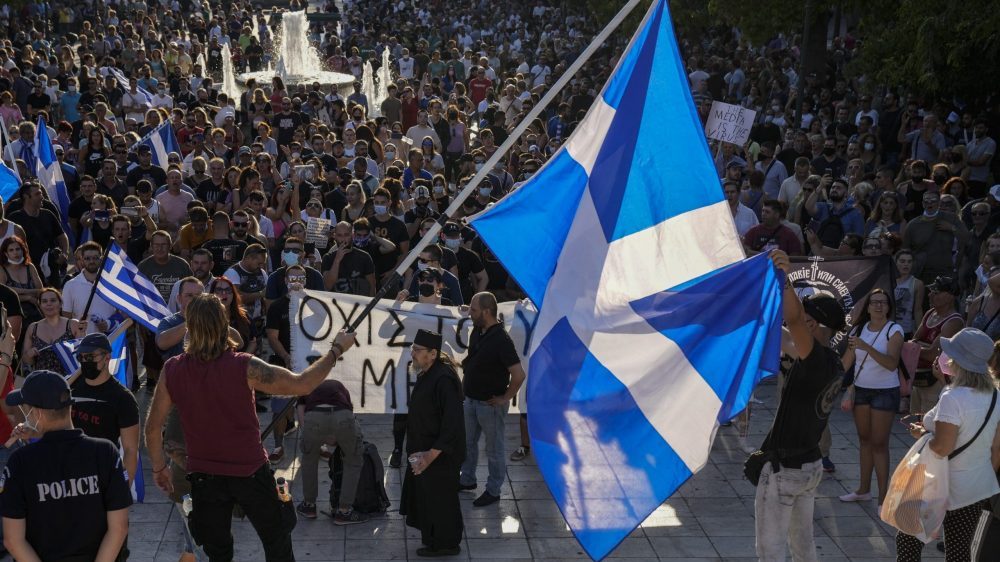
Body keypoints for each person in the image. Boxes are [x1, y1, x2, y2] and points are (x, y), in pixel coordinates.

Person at [145, 293, 357, 562]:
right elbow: (303, 384)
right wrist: (336, 350)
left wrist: (158, 468)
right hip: (250, 473)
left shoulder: (172, 370)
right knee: (276, 540)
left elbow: (153, 428)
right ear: (223, 324)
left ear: (189, 326)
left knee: (217, 552)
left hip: (203, 476)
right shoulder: (244, 366)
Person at [755, 250, 846, 561]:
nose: (799, 320)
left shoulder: (816, 358)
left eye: (806, 318)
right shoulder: (830, 360)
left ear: (814, 323)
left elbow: (792, 320)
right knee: (803, 546)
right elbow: (787, 338)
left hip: (787, 468)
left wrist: (784, 279)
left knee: (770, 550)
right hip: (810, 464)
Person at [1, 370, 131, 561]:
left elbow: (12, 541)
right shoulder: (105, 453)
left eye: (25, 408)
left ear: (36, 413)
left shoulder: (20, 463)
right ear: (69, 408)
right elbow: (119, 527)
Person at [896, 328, 1000, 560]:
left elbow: (942, 447)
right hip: (975, 487)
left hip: (937, 484)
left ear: (958, 361)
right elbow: (996, 450)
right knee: (959, 551)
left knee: (908, 541)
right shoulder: (996, 396)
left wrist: (922, 433)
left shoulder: (952, 397)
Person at [399, 329, 466, 557]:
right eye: (413, 349)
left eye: (417, 350)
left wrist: (430, 455)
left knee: (441, 501)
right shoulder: (426, 373)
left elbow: (451, 424)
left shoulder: (444, 380)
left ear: (433, 353)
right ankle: (433, 540)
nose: (413, 354)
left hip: (440, 455)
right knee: (429, 499)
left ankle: (446, 544)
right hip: (425, 451)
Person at [458, 292, 525, 507]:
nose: (471, 314)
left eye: (474, 310)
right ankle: (467, 480)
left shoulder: (502, 340)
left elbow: (518, 375)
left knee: (494, 450)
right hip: (470, 400)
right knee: (467, 444)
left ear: (487, 312)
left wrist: (505, 398)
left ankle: (494, 490)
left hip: (489, 406)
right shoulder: (478, 330)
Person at [839, 289, 904, 508]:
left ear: (888, 307)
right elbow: (846, 363)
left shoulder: (894, 330)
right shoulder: (858, 329)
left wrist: (866, 347)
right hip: (861, 390)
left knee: (879, 444)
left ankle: (883, 497)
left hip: (885, 392)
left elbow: (891, 363)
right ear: (867, 307)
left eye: (883, 303)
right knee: (864, 441)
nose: (878, 306)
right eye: (874, 302)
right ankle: (863, 490)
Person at [295, 379, 368, 524]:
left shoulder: (308, 385)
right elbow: (348, 413)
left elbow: (301, 410)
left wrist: (309, 436)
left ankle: (309, 506)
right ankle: (344, 511)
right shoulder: (339, 386)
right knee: (353, 461)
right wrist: (336, 438)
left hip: (314, 417)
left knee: (309, 459)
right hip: (342, 416)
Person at [910, 276, 964, 415]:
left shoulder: (954, 322)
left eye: (936, 292)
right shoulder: (930, 313)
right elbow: (913, 343)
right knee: (916, 426)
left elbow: (933, 354)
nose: (930, 294)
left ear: (950, 297)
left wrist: (917, 347)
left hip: (936, 381)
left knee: (929, 427)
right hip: (919, 378)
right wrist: (922, 347)